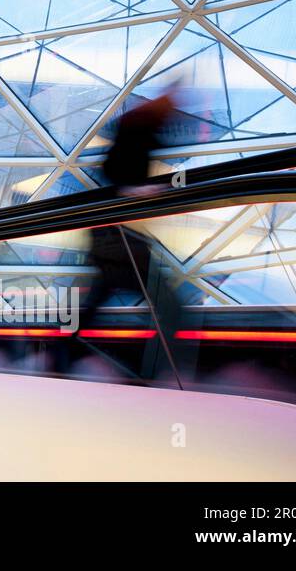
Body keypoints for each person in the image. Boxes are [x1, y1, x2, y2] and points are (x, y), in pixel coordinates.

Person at [84, 87, 185, 377]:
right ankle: (147, 373)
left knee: (94, 302)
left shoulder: (137, 131)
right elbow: (114, 174)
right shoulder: (137, 131)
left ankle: (60, 357)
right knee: (170, 308)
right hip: (121, 239)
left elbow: (112, 173)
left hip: (113, 238)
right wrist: (137, 191)